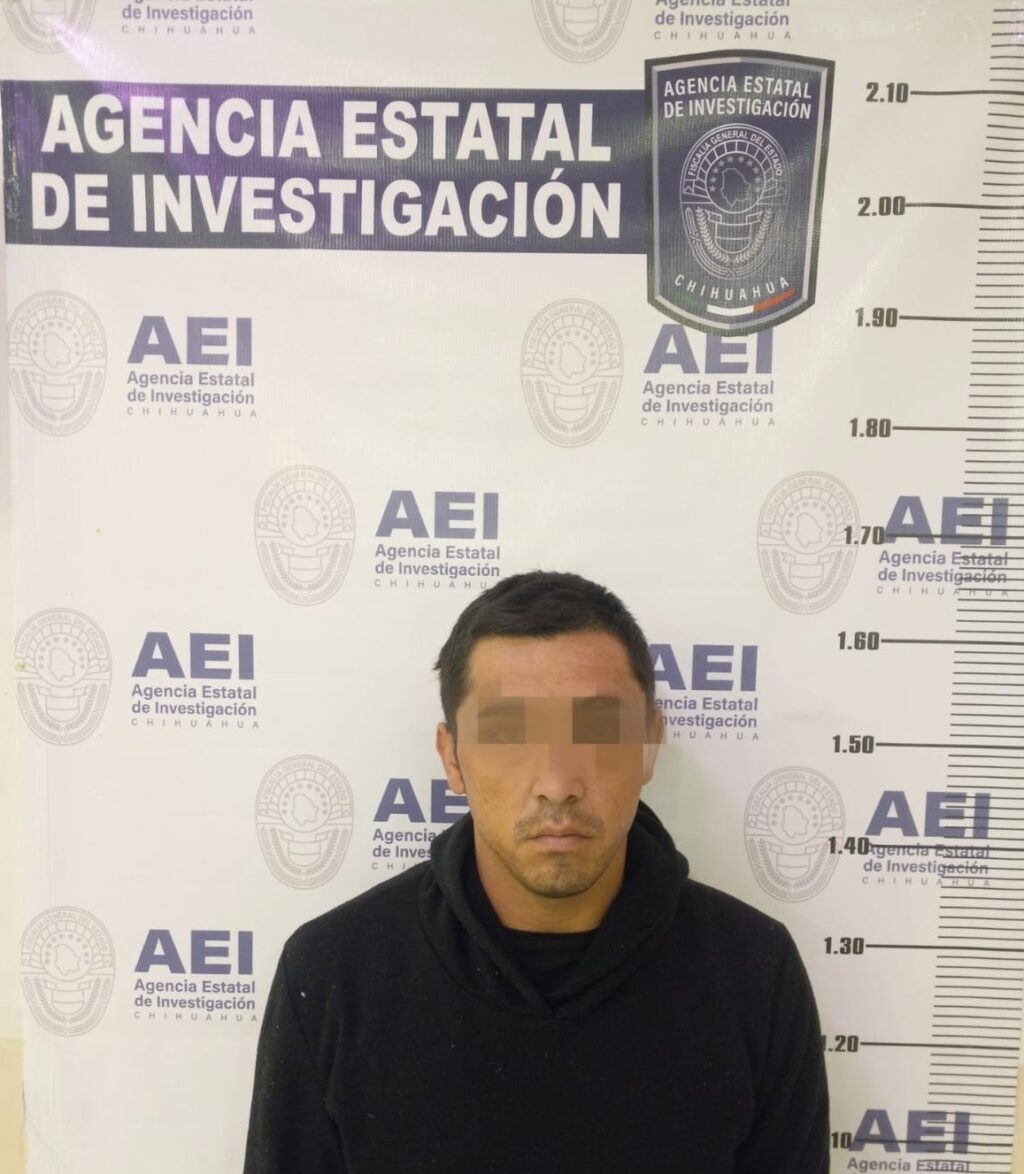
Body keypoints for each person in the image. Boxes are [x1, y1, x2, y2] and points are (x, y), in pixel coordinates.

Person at [243, 571, 829, 1173]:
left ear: (650, 744)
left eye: (598, 729)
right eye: (508, 732)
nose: (557, 783)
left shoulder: (754, 973)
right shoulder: (333, 973)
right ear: (452, 757)